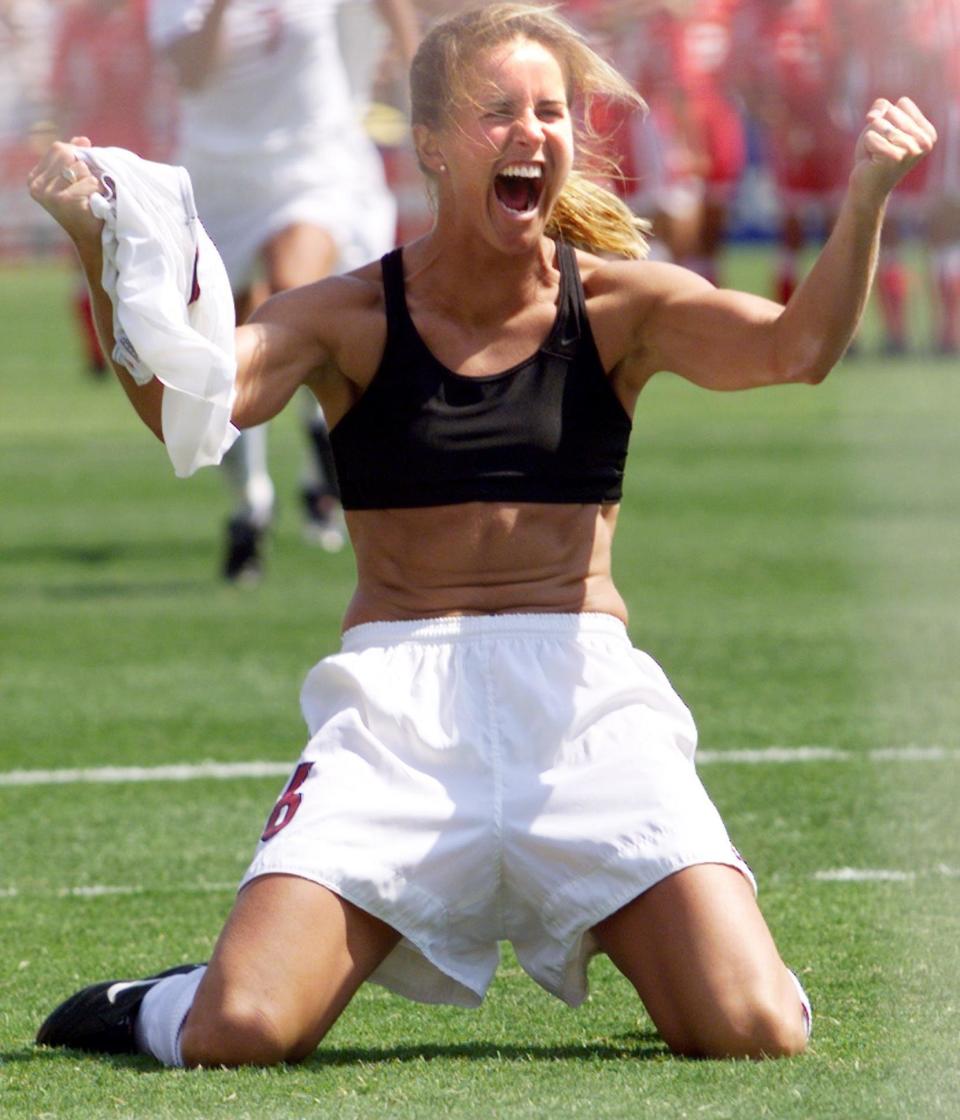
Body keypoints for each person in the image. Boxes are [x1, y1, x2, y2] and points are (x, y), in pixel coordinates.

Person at [28, 1, 935, 1067]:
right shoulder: (348, 314)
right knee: (241, 1031)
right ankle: (156, 1000)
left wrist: (867, 193)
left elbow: (796, 348)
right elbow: (192, 406)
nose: (533, 131)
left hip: (586, 709)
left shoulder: (619, 304)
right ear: (429, 144)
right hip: (396, 718)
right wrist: (101, 246)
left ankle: (711, 944)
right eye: (498, 110)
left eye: (551, 110)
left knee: (753, 1027)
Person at [149, 0, 413, 580]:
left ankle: (324, 448)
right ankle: (252, 505)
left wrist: (421, 82)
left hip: (311, 160)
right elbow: (193, 72)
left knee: (295, 294)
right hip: (222, 177)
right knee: (226, 344)